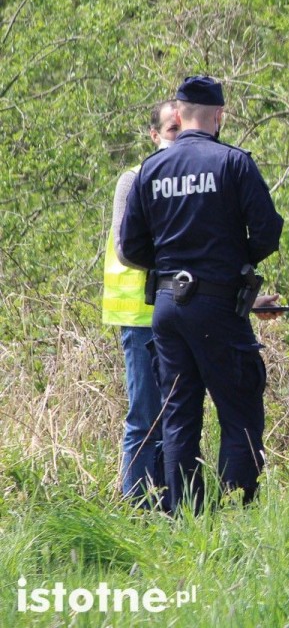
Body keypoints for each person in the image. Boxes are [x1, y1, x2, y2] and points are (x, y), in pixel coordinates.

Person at [119, 75, 285, 515]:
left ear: (178, 113)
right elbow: (268, 232)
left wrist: (170, 261)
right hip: (218, 305)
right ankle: (233, 516)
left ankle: (186, 520)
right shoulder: (233, 163)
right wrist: (230, 261)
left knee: (178, 418)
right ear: (219, 116)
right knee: (240, 412)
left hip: (168, 308)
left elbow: (130, 247)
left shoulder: (151, 169)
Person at [103, 100, 179, 505]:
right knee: (144, 416)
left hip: (177, 314)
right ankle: (135, 505)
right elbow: (125, 247)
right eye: (171, 130)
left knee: (174, 417)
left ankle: (167, 506)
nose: (178, 138)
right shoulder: (133, 180)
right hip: (139, 316)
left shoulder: (186, 181)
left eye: (183, 129)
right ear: (153, 135)